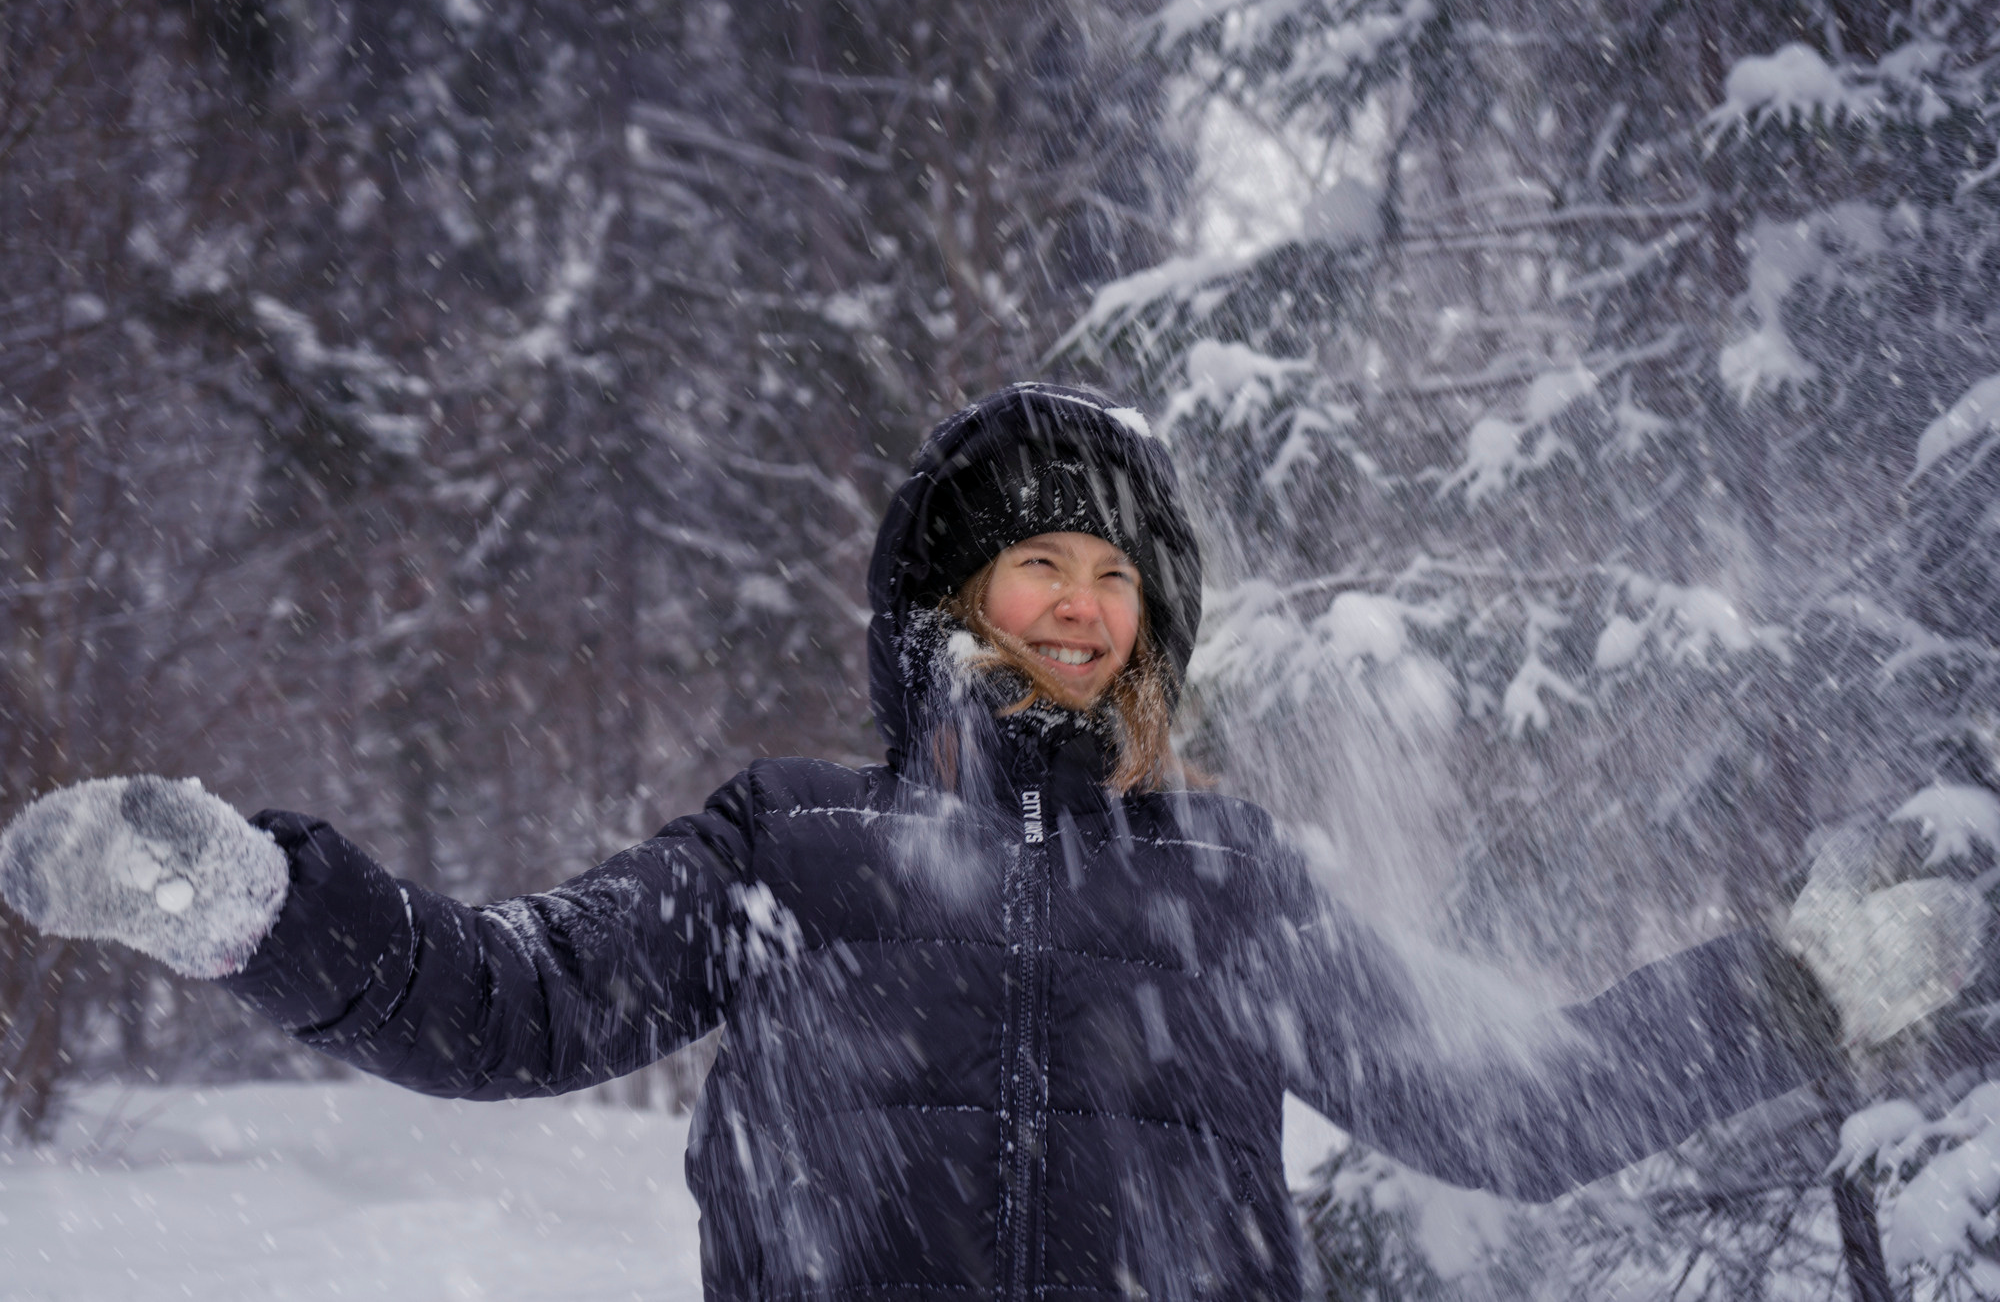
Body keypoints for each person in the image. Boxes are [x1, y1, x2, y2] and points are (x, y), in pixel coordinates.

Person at [0, 382, 1987, 1301]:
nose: (1080, 600)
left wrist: (1792, 990)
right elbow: (514, 1006)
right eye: (1037, 555)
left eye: (1114, 571)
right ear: (940, 600)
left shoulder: (1231, 880)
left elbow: (1504, 1108)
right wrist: (261, 906)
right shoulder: (791, 847)